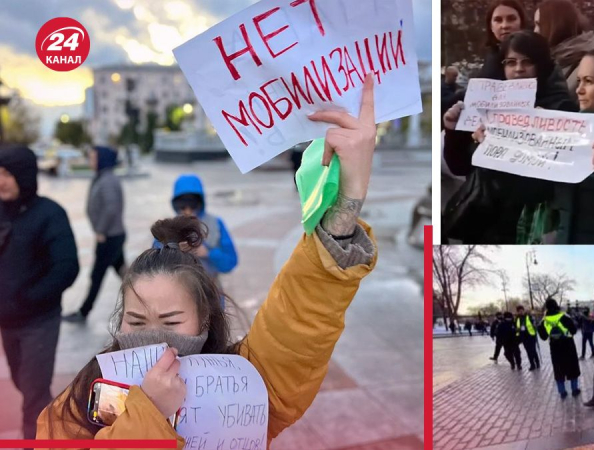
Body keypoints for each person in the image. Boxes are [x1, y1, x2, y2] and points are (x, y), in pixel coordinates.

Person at [37, 76, 380, 442]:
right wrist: (147, 416)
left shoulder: (244, 384)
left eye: (170, 322)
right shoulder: (77, 404)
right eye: (136, 322)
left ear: (205, 320)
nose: (153, 341)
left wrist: (346, 203)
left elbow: (299, 322)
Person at [442, 30, 576, 244]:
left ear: (541, 65)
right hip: (484, 225)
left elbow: (542, 186)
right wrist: (453, 131)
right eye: (511, 62)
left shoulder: (559, 109)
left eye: (527, 62)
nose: (518, 69)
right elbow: (460, 167)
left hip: (529, 227)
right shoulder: (486, 104)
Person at [0, 146, 80, 441]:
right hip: (7, 323)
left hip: (38, 321)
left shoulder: (49, 214)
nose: (1, 181)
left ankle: (36, 443)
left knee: (33, 392)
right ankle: (52, 424)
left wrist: (26, 299)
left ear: (23, 174)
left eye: (7, 173)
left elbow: (66, 268)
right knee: (25, 383)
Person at [524, 47, 594, 244]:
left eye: (589, 81)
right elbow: (538, 192)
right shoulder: (571, 133)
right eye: (579, 81)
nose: (579, 90)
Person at [63, 146, 127, 323]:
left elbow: (111, 208)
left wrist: (100, 230)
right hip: (113, 235)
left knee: (97, 275)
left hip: (109, 236)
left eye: (93, 158)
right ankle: (145, 297)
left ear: (102, 159)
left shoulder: (107, 180)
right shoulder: (103, 177)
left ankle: (83, 312)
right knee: (123, 270)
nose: (90, 161)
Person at [164, 174, 238, 297]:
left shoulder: (215, 224)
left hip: (210, 294)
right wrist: (173, 252)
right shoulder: (167, 229)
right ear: (175, 204)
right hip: (177, 295)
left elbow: (230, 262)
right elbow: (155, 266)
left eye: (192, 205)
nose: (187, 211)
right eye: (182, 206)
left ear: (200, 202)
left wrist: (208, 253)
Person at [534, 0, 594, 104]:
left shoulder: (591, 63)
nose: (535, 31)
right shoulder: (552, 60)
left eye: (538, 24)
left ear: (555, 25)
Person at [537, 299, 581, 399]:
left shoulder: (544, 321)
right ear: (556, 306)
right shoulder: (565, 316)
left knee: (558, 370)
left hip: (555, 348)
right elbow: (574, 330)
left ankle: (562, 392)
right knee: (573, 368)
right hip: (568, 346)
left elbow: (543, 337)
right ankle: (574, 390)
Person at [477, 0, 527, 80]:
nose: (504, 25)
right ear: (491, 26)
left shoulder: (536, 53)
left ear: (521, 22)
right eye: (498, 20)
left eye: (511, 19)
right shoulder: (488, 59)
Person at [516, 305, 541, 370]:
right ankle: (532, 364)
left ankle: (537, 362)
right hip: (523, 337)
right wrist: (518, 330)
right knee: (528, 351)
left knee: (533, 350)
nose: (521, 312)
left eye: (522, 310)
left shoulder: (529, 317)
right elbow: (516, 327)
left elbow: (535, 324)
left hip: (531, 336)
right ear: (517, 312)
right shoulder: (517, 319)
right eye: (519, 311)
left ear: (523, 310)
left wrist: (534, 325)